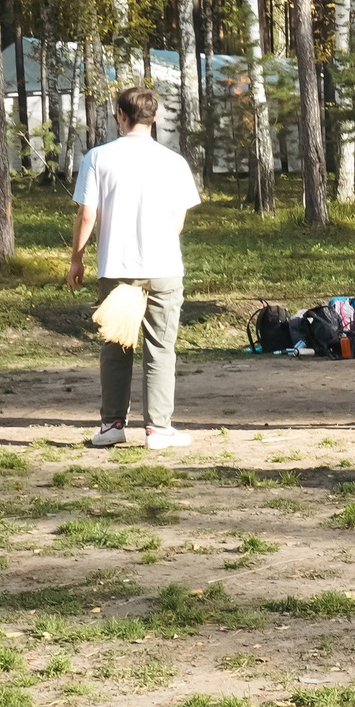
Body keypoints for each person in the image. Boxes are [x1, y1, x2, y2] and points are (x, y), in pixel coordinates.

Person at [70, 84, 202, 450]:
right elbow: (178, 221)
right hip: (162, 267)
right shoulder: (174, 162)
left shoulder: (98, 157)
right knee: (160, 348)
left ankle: (112, 424)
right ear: (154, 117)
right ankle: (159, 429)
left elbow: (87, 214)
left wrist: (76, 258)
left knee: (116, 348)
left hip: (116, 268)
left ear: (120, 116)